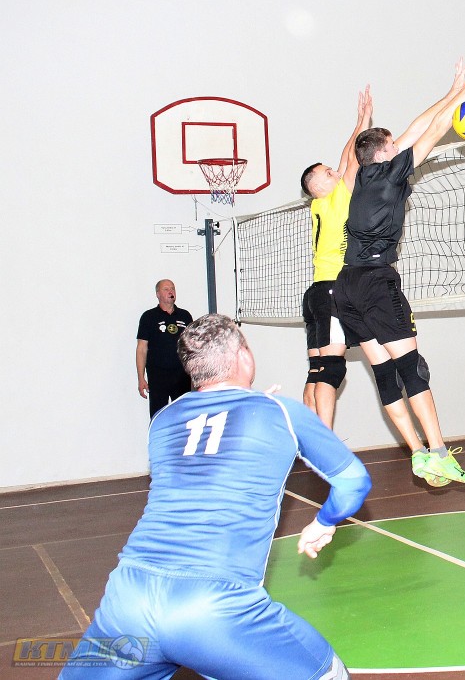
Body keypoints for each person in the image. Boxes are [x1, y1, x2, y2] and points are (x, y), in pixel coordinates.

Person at [62, 314, 371, 679]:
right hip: (214, 608)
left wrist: (255, 405)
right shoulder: (281, 412)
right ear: (243, 356)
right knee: (326, 672)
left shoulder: (163, 420)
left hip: (128, 597)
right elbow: (354, 482)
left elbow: (209, 453)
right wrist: (324, 522)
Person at [334, 56, 465, 487]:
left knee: (384, 373)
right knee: (412, 368)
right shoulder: (390, 175)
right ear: (385, 152)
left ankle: (418, 455)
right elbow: (435, 128)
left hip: (346, 287)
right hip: (375, 282)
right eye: (394, 144)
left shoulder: (359, 176)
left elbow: (413, 127)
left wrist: (452, 89)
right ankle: (439, 452)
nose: (400, 144)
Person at [299, 87, 373, 429]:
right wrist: (363, 120)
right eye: (328, 172)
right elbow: (352, 158)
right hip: (332, 290)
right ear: (319, 185)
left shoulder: (319, 204)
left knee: (316, 371)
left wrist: (360, 120)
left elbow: (345, 160)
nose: (335, 171)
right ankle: (325, 441)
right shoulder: (334, 197)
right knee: (331, 370)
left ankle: (309, 438)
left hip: (315, 294)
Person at [135, 279, 193, 418]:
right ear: (158, 294)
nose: (170, 291)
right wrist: (141, 378)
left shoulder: (185, 316)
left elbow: (192, 346)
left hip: (182, 376)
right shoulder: (149, 317)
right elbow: (141, 349)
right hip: (158, 376)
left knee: (184, 416)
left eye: (172, 288)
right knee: (158, 415)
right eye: (166, 289)